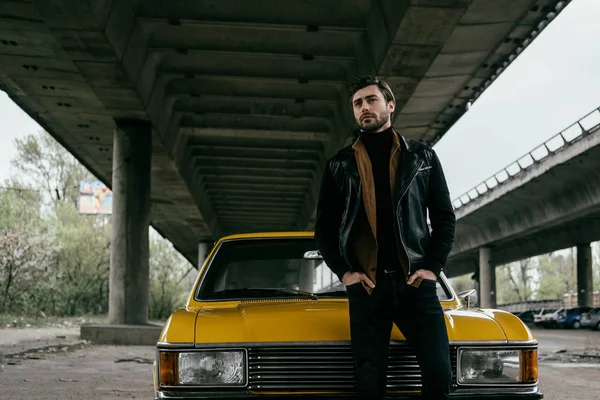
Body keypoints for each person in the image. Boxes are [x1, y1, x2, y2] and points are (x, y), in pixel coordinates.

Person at [314, 76, 456, 399]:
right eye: (358, 103)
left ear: (390, 105)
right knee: (369, 381)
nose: (364, 107)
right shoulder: (339, 165)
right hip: (367, 288)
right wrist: (345, 273)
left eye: (371, 100)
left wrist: (432, 267)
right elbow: (324, 229)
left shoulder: (423, 158)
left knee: (438, 372)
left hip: (415, 285)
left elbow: (445, 218)